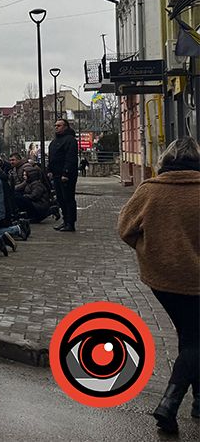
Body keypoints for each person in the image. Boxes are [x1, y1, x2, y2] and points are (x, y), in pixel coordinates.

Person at [117, 137, 200, 434]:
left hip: (163, 279)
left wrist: (149, 251)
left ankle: (199, 401)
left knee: (191, 335)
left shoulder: (151, 189)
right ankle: (169, 404)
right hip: (195, 281)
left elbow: (125, 228)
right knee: (195, 338)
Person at [47, 118, 79, 232]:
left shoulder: (70, 140)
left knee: (68, 199)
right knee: (60, 199)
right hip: (56, 174)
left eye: (59, 125)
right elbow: (51, 157)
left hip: (66, 175)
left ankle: (70, 223)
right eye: (55, 125)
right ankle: (65, 221)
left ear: (65, 127)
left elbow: (71, 158)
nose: (56, 127)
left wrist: (66, 173)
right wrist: (49, 170)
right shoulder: (55, 141)